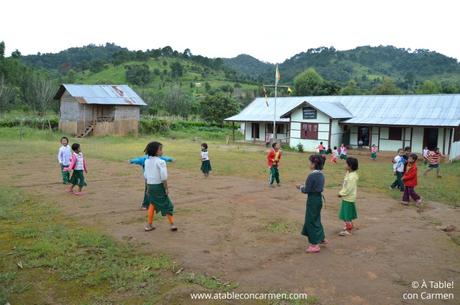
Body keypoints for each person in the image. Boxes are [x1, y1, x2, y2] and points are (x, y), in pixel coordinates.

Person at [144, 141, 177, 232]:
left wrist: (147, 188)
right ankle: (172, 224)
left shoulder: (146, 161)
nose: (162, 151)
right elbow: (163, 177)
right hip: (159, 187)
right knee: (168, 205)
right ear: (155, 151)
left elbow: (146, 176)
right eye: (160, 149)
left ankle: (149, 225)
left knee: (153, 204)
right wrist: (166, 188)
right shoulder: (161, 162)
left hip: (151, 186)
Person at [296, 155, 326, 253]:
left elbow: (307, 190)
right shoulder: (321, 175)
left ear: (314, 164)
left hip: (312, 200)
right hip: (318, 199)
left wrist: (300, 187)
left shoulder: (311, 175)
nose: (309, 164)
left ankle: (314, 245)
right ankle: (321, 238)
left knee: (310, 221)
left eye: (310, 162)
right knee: (316, 218)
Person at [338, 157, 359, 236]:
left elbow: (348, 189)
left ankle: (348, 230)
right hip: (347, 198)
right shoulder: (349, 173)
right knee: (345, 214)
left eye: (346, 164)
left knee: (347, 215)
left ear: (350, 166)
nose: (344, 165)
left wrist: (341, 193)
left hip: (348, 198)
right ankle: (349, 225)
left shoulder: (352, 177)